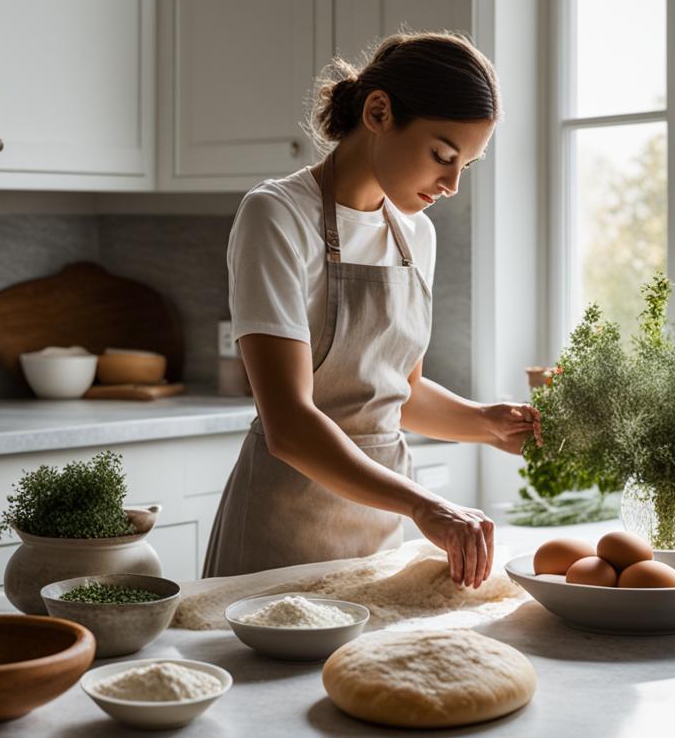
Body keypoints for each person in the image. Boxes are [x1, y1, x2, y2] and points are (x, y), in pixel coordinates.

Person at [203, 31, 541, 589]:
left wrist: (488, 424)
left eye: (467, 166)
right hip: (282, 531)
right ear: (379, 111)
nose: (452, 184)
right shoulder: (276, 216)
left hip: (379, 530)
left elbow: (394, 396)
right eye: (442, 155)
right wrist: (426, 506)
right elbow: (288, 423)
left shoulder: (416, 235)